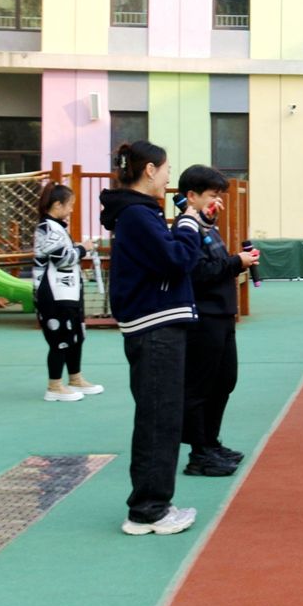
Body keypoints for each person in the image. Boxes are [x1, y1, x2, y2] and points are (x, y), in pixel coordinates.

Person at [100, 141, 203, 536]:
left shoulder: (137, 214)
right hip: (155, 327)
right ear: (149, 170)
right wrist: (189, 224)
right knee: (160, 418)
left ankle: (152, 504)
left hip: (154, 325)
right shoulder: (137, 215)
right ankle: (148, 510)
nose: (168, 177)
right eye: (166, 169)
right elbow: (177, 260)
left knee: (159, 416)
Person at [172, 165, 258, 477]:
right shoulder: (186, 228)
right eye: (212, 195)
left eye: (219, 195)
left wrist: (236, 260)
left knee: (224, 381)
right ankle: (199, 453)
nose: (217, 201)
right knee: (200, 385)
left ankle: (210, 441)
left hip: (220, 314)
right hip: (203, 317)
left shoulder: (205, 225)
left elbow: (214, 263)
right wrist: (237, 262)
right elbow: (197, 272)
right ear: (191, 196)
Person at [33, 183, 103, 402]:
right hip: (53, 293)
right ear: (57, 205)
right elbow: (62, 258)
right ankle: (54, 386)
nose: (72, 210)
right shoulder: (47, 228)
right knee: (60, 339)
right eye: (70, 205)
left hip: (68, 292)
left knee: (76, 336)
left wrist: (79, 248)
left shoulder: (57, 227)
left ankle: (75, 378)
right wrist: (83, 248)